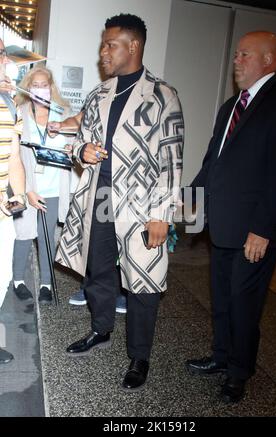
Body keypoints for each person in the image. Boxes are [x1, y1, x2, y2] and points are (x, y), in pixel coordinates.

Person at [56, 13, 184, 391]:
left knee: (143, 283)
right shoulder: (99, 94)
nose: (102, 52)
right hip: (99, 197)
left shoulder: (163, 95)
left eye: (110, 44)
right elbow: (77, 144)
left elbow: (172, 159)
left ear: (134, 46)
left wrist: (162, 214)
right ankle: (100, 330)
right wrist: (83, 149)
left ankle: (139, 355)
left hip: (143, 206)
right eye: (103, 44)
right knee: (98, 270)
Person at [185, 31, 276, 403]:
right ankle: (221, 357)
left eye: (244, 55)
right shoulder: (232, 105)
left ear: (269, 60)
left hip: (255, 231)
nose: (236, 61)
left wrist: (262, 230)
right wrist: (186, 199)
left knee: (244, 304)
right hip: (224, 225)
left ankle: (239, 372)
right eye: (236, 54)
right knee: (221, 297)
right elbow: (212, 163)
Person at [48, 112, 128, 312]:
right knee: (93, 241)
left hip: (129, 185)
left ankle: (123, 292)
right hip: (100, 183)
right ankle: (89, 286)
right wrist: (60, 124)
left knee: (122, 244)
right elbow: (77, 120)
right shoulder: (100, 93)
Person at [12, 66, 71, 304]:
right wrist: (26, 190)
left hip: (53, 188)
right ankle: (18, 280)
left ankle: (46, 283)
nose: (40, 89)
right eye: (35, 85)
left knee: (47, 237)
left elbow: (75, 144)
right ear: (28, 88)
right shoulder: (20, 112)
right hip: (27, 185)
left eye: (44, 85)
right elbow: (13, 153)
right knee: (24, 234)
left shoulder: (63, 113)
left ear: (51, 87)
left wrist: (70, 147)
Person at [0, 38, 26, 364]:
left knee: (3, 278)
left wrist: (18, 194)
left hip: (4, 213)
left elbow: (15, 158)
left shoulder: (10, 103)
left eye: (2, 51)